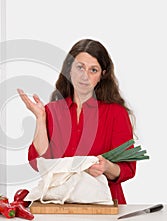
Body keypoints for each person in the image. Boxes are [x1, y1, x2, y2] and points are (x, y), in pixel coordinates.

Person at [17, 39, 136, 204]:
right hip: (61, 206)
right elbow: (40, 163)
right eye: (80, 67)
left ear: (102, 75)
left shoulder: (116, 113)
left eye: (93, 70)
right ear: (69, 69)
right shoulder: (51, 111)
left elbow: (128, 169)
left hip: (105, 208)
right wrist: (40, 118)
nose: (84, 76)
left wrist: (107, 167)